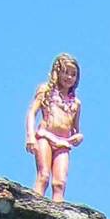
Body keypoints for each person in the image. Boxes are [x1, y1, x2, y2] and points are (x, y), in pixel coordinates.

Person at [25, 55, 84, 200]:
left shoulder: (75, 103)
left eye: (73, 74)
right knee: (44, 175)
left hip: (63, 142)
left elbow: (75, 129)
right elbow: (32, 112)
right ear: (57, 72)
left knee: (59, 182)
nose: (69, 77)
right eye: (66, 72)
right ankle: (36, 205)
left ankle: (57, 212)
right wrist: (30, 136)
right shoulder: (45, 90)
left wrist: (79, 136)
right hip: (45, 135)